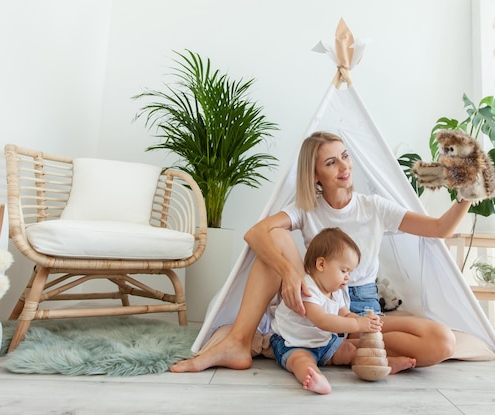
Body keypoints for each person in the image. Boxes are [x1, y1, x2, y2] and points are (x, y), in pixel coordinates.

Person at [171, 131, 472, 373]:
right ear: (315, 175)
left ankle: (354, 350)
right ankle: (238, 342)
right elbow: (256, 233)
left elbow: (439, 229)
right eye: (331, 163)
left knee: (443, 341)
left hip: (361, 309)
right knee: (273, 241)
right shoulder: (307, 208)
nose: (344, 167)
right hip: (317, 305)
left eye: (344, 157)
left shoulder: (374, 207)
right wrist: (290, 272)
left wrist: (466, 197)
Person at [269, 226, 381, 394]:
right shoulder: (307, 288)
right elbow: (322, 321)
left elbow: (345, 314)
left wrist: (362, 321)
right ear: (321, 264)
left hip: (323, 343)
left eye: (349, 272)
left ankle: (378, 365)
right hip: (293, 343)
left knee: (350, 350)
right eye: (344, 270)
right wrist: (357, 325)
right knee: (301, 361)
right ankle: (316, 378)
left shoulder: (336, 292)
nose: (347, 277)